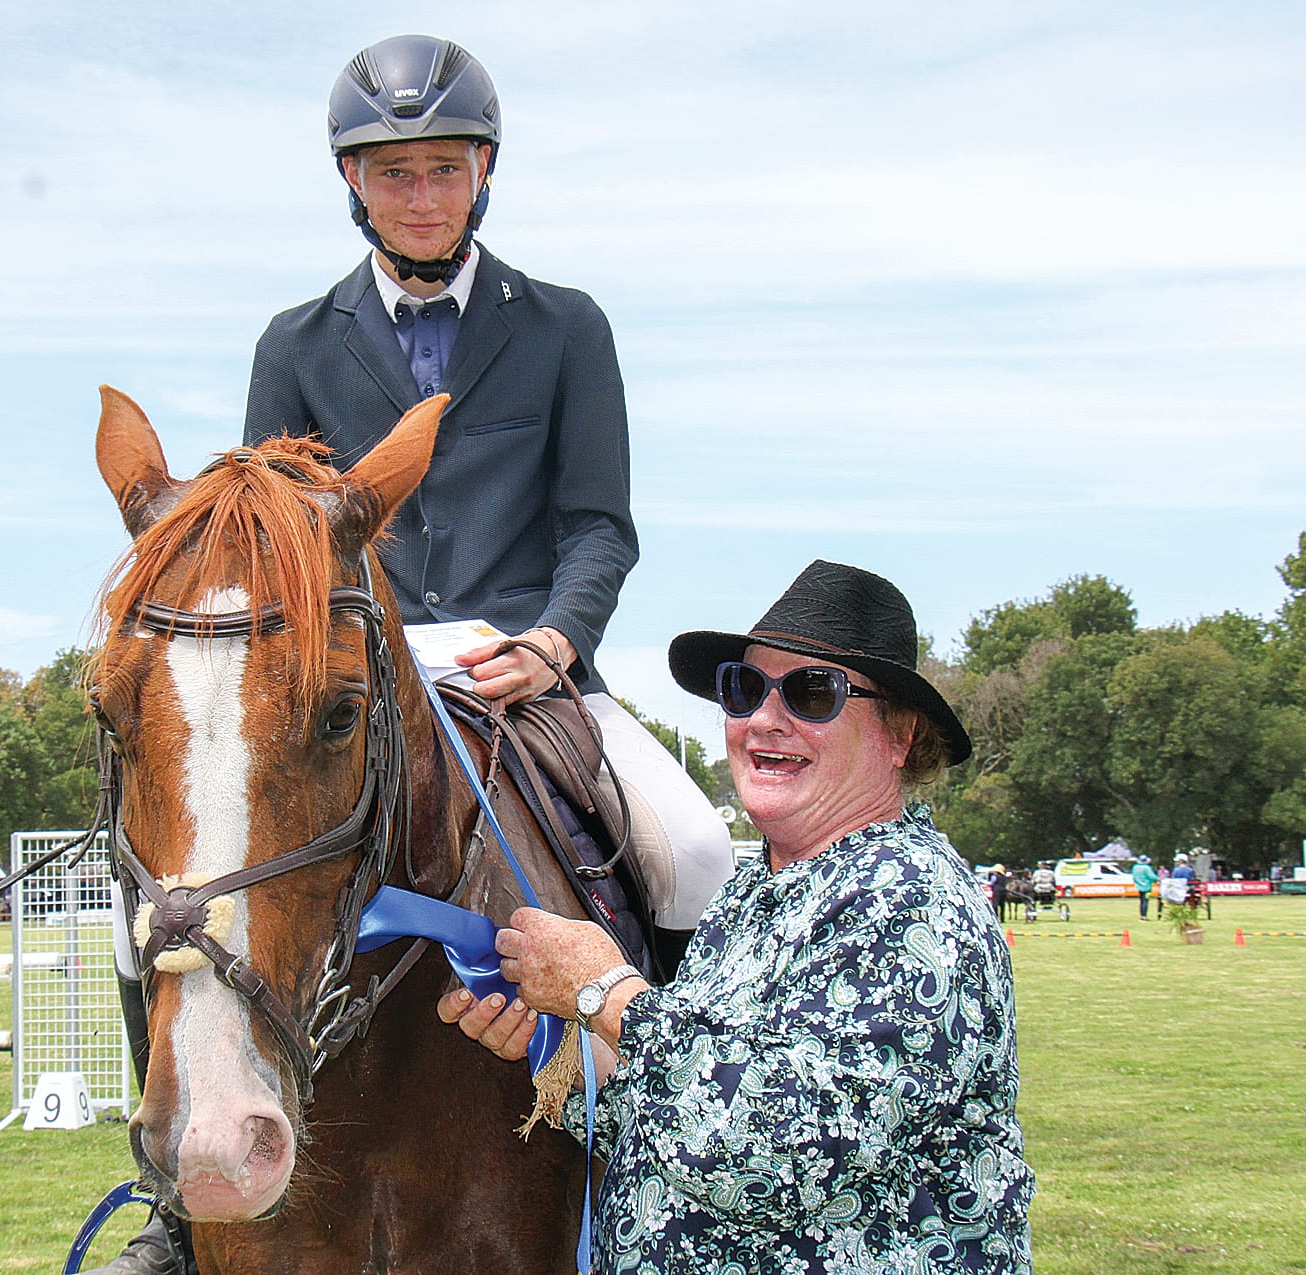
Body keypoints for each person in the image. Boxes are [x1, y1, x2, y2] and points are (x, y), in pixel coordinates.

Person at [98, 35, 732, 1274]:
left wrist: (555, 640)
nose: (422, 194)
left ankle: (681, 1154)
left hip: (522, 666)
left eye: (444, 168)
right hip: (357, 665)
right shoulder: (296, 339)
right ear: (353, 182)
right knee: (154, 911)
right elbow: (267, 530)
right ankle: (179, 1212)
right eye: (394, 172)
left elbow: (597, 525)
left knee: (696, 850)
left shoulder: (563, 326)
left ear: (484, 171)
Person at [441, 559, 1034, 1272]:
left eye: (813, 693)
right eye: (744, 689)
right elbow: (673, 1113)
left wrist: (606, 992)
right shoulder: (747, 897)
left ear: (901, 734)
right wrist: (553, 1049)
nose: (763, 719)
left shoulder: (913, 898)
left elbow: (772, 1150)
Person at [1132, 854, 1159, 920]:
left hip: (1139, 886)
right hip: (1147, 887)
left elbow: (1134, 877)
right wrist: (1158, 879)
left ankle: (1142, 915)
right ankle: (1144, 916)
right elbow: (1151, 876)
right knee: (1145, 901)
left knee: (1141, 901)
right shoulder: (1147, 867)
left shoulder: (1135, 867)